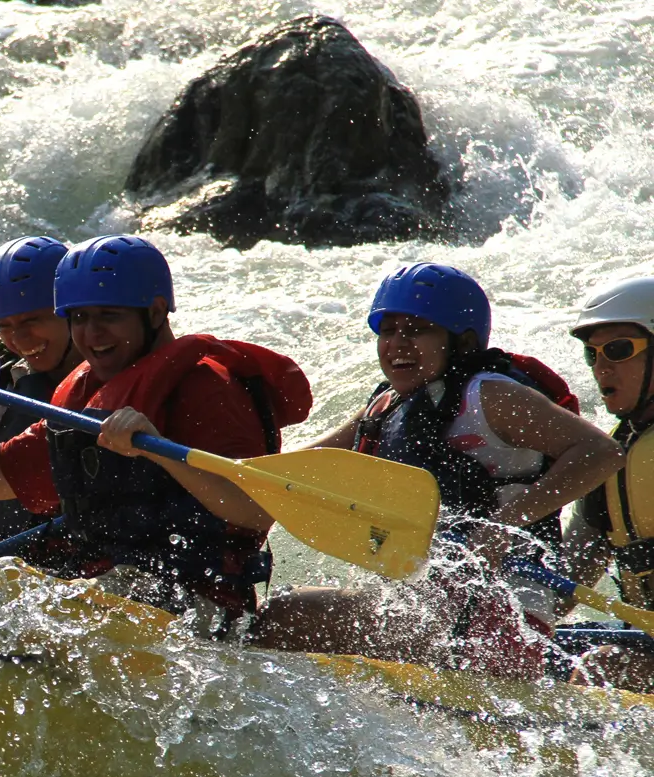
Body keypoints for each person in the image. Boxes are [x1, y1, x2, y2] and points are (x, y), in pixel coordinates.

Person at [247, 263, 623, 677]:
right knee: (277, 617)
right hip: (425, 603)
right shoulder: (385, 407)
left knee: (286, 615)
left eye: (416, 330)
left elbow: (601, 452)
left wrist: (503, 526)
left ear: (462, 342)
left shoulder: (489, 395)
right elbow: (290, 471)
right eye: (388, 331)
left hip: (506, 610)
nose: (397, 344)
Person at [0, 234, 312, 631]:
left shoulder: (209, 387)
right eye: (79, 318)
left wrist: (159, 449)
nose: (92, 334)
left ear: (155, 312)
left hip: (200, 602)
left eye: (109, 315)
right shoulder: (88, 391)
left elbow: (257, 510)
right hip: (110, 587)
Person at [0, 235, 80, 555]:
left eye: (32, 320)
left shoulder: (118, 380)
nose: (19, 339)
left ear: (70, 310)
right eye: (3, 326)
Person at [556, 277, 654, 690]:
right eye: (592, 354)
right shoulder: (613, 458)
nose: (601, 367)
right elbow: (567, 579)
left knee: (604, 669)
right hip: (645, 639)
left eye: (618, 350)